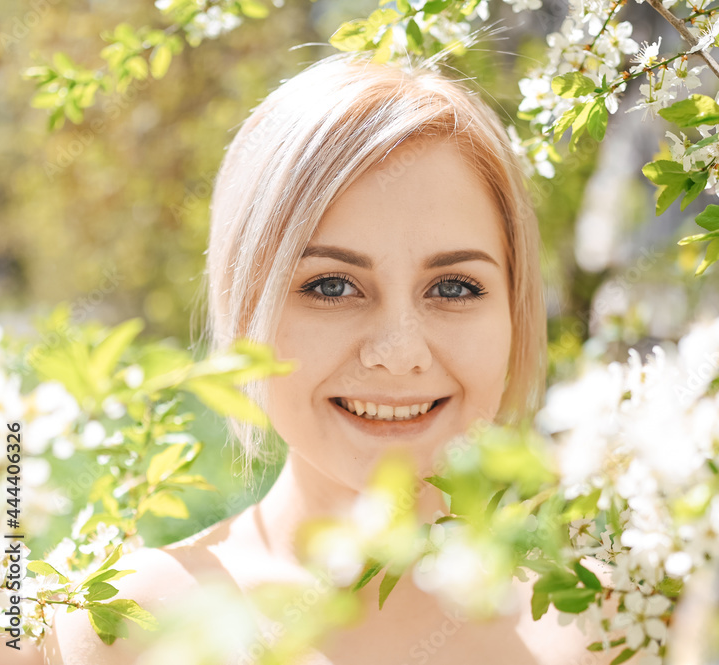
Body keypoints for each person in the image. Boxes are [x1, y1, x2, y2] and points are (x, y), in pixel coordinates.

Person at [35, 51, 609, 664]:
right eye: (331, 285)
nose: (398, 354)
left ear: (515, 310)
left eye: (452, 287)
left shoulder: (605, 616)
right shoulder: (111, 625)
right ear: (243, 303)